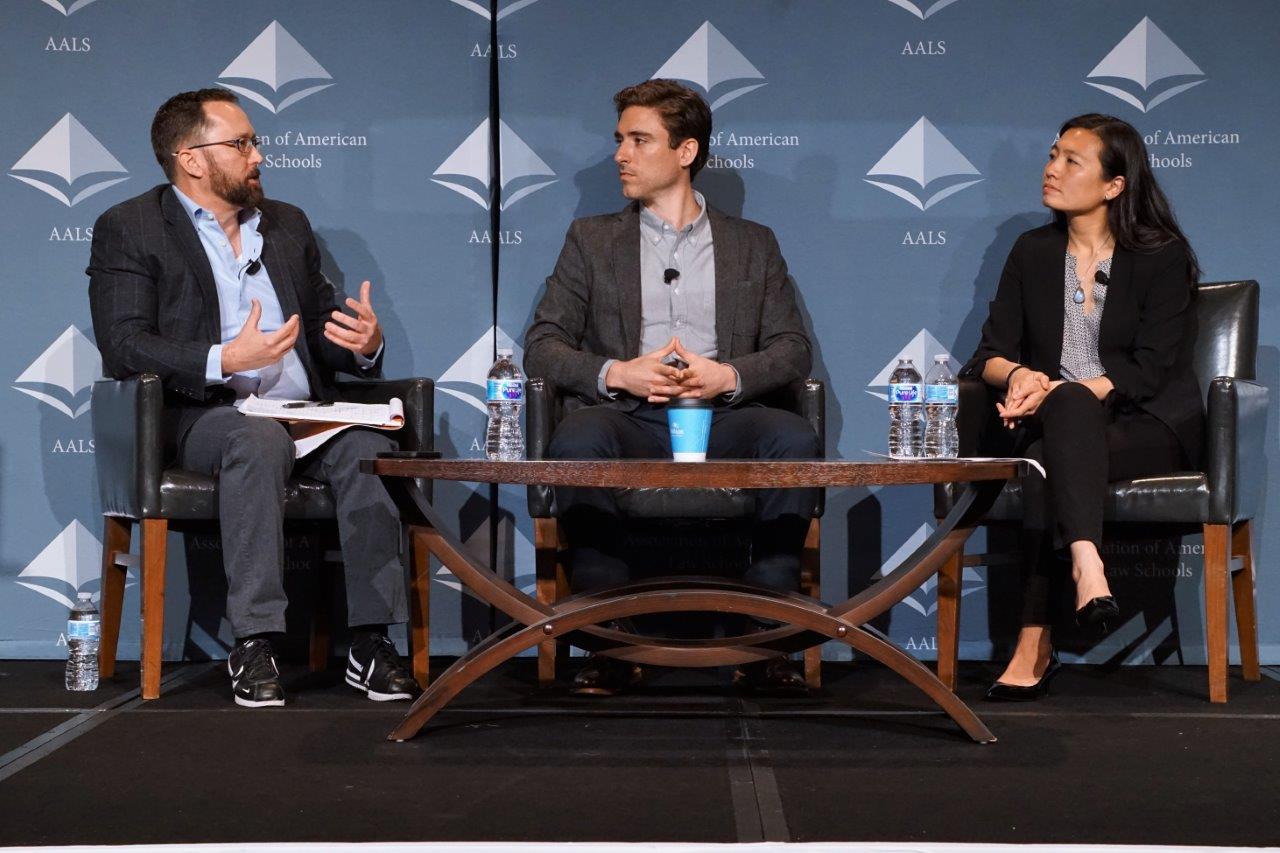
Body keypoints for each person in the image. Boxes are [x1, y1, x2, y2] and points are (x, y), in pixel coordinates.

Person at [87, 89, 421, 708]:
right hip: (206, 415)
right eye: (241, 143)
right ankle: (256, 641)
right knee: (255, 437)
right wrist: (224, 360)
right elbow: (124, 345)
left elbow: (325, 331)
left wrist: (363, 346)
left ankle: (371, 643)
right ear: (191, 157)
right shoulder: (130, 227)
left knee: (370, 450)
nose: (258, 155)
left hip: (306, 414)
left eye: (254, 142)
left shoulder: (286, 224)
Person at [523, 79, 820, 696]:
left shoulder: (752, 243)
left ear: (686, 152)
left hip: (722, 417)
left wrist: (728, 376)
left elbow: (792, 350)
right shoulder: (591, 239)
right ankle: (607, 642)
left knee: (791, 436)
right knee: (577, 439)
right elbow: (543, 344)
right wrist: (618, 373)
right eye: (619, 140)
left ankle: (767, 642)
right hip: (627, 417)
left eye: (639, 140)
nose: (621, 155)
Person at [963, 113, 1205, 701]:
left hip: (1143, 423)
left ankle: (1033, 642)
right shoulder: (1032, 251)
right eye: (1052, 154)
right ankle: (1087, 567)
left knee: (1053, 444)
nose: (1051, 169)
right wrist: (1022, 375)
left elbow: (1150, 368)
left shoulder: (1162, 256)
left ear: (1114, 185)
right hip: (1057, 421)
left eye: (1072, 160)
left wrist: (1063, 391)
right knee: (1055, 439)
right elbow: (989, 356)